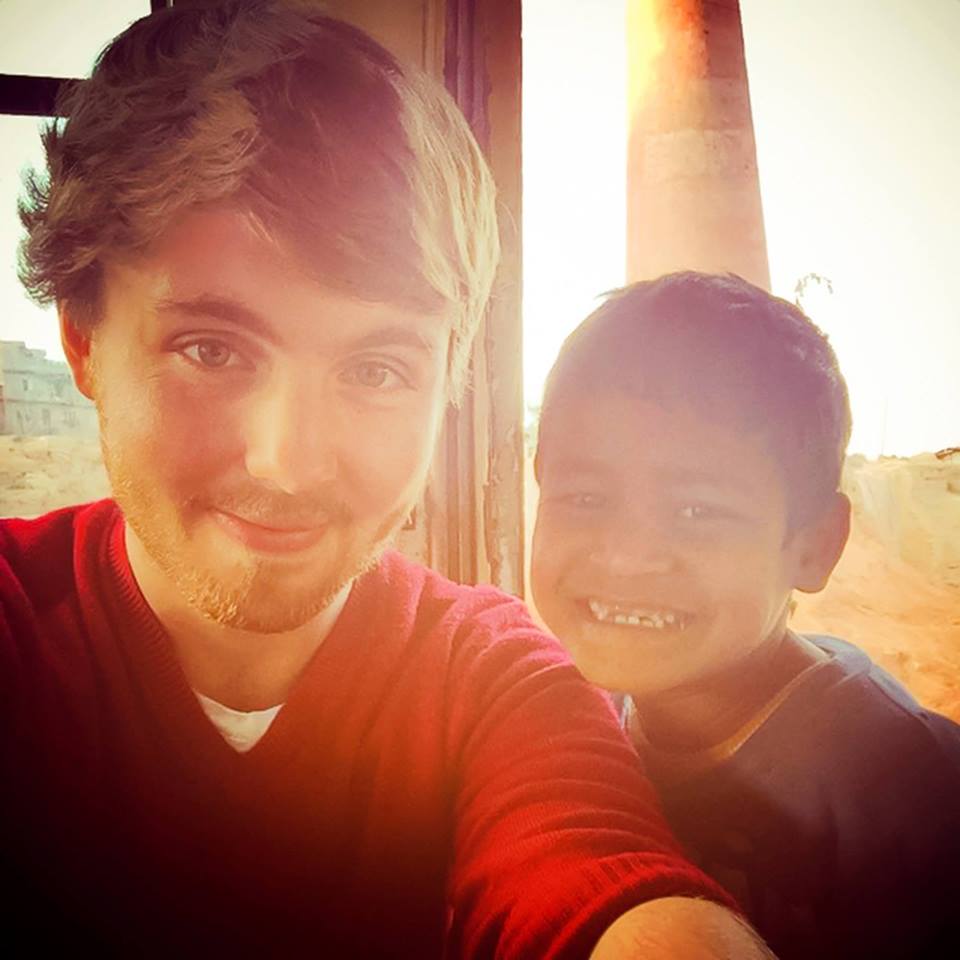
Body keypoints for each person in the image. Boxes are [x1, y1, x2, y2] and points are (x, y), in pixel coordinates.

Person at [0, 3, 775, 957]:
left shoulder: (493, 678)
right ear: (83, 343)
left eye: (377, 370)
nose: (287, 463)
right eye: (211, 349)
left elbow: (601, 879)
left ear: (447, 384)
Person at [531, 270, 960, 960]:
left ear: (815, 547)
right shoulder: (572, 723)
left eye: (697, 512)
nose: (627, 558)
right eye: (584, 499)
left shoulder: (921, 802)